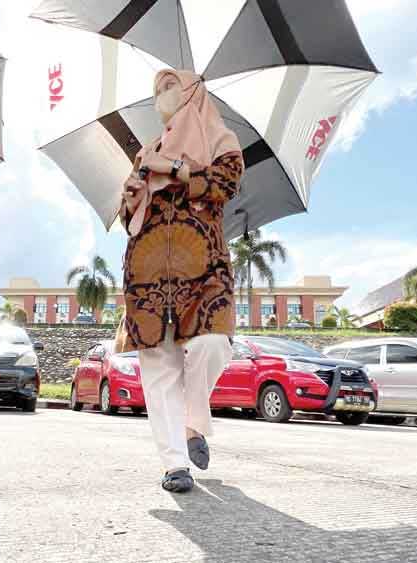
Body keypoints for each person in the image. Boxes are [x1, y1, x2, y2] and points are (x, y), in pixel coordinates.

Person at [116, 69, 244, 493]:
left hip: (203, 265)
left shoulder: (221, 139)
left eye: (169, 87)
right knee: (159, 368)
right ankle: (175, 463)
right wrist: (132, 195)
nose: (160, 97)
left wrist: (172, 167)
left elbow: (225, 184)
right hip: (148, 272)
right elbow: (129, 219)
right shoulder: (147, 149)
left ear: (192, 91)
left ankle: (194, 419)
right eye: (155, 91)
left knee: (213, 343)